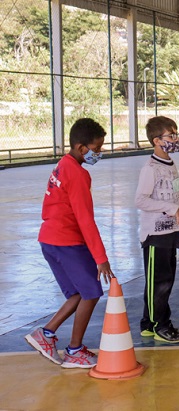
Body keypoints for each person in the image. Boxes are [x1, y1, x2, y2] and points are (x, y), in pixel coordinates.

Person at [25, 118, 115, 369]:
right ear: (81, 147)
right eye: (97, 149)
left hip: (49, 240)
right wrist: (101, 258)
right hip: (67, 242)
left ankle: (47, 334)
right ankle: (74, 349)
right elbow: (85, 220)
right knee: (92, 292)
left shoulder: (63, 164)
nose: (99, 153)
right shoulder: (77, 174)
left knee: (78, 293)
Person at [134, 116, 179, 343]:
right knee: (159, 283)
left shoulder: (171, 165)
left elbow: (175, 196)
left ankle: (148, 323)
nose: (175, 139)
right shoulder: (150, 169)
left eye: (176, 134)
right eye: (171, 135)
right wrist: (171, 208)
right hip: (155, 235)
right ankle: (160, 325)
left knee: (166, 279)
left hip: (170, 231)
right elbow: (141, 200)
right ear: (157, 141)